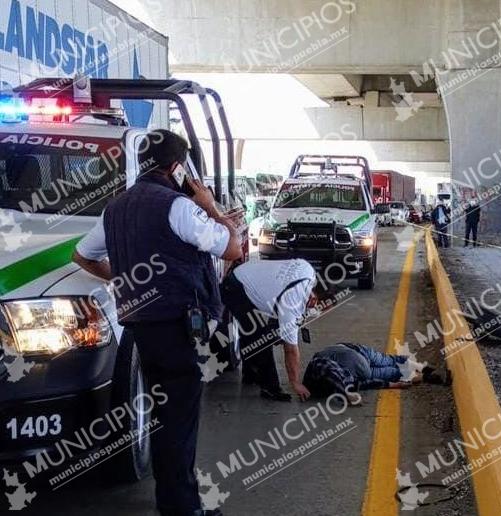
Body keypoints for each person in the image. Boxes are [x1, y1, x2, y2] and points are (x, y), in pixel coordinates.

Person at [73, 129, 242, 516]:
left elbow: (81, 256)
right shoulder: (179, 207)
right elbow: (232, 248)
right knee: (179, 419)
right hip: (181, 326)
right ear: (178, 168)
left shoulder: (115, 207)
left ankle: (181, 500)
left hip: (141, 328)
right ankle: (180, 507)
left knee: (167, 415)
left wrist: (123, 278)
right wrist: (212, 207)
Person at [220, 259, 321, 402]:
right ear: (313, 300)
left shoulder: (307, 270)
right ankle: (270, 387)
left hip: (244, 274)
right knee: (261, 339)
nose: (317, 312)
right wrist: (295, 383)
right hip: (234, 288)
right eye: (319, 307)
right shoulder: (291, 304)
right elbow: (291, 350)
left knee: (252, 330)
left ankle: (251, 374)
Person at [303, 343, 445, 403]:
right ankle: (423, 369)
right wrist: (392, 386)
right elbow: (359, 383)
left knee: (391, 372)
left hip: (359, 366)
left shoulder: (316, 373)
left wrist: (346, 395)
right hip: (360, 352)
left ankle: (422, 376)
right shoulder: (322, 358)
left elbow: (329, 370)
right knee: (389, 360)